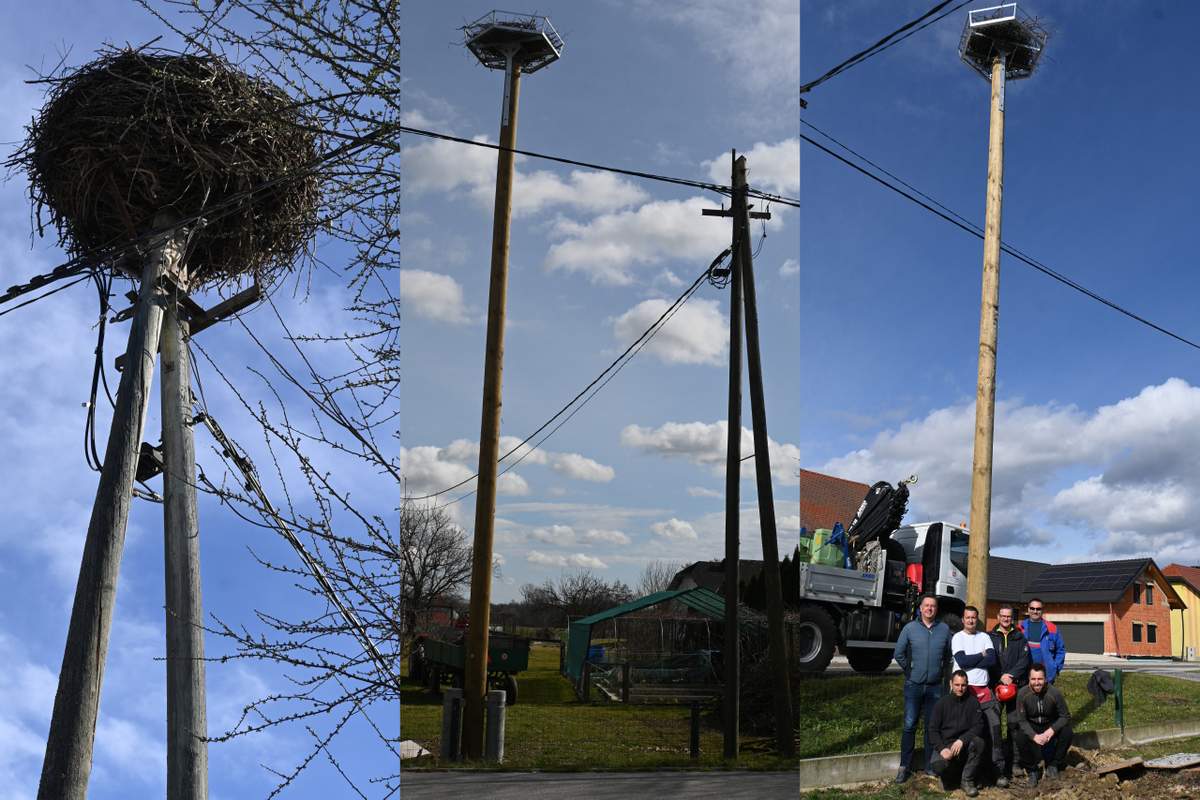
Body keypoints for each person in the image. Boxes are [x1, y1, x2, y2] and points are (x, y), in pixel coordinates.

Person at [892, 594, 953, 783]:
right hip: (914, 686)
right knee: (910, 725)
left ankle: (929, 766)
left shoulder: (944, 629)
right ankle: (904, 766)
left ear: (936, 609)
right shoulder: (910, 628)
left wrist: (945, 678)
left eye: (933, 606)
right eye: (926, 605)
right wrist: (910, 672)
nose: (929, 609)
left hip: (935, 687)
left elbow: (949, 657)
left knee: (930, 728)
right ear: (920, 608)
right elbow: (899, 653)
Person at [951, 606, 1006, 786]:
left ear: (977, 619)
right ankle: (969, 775)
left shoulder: (984, 637)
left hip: (985, 692)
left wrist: (975, 659)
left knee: (994, 730)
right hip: (965, 692)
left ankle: (998, 772)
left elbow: (991, 660)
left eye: (974, 618)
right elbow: (962, 662)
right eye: (968, 617)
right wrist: (981, 655)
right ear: (963, 619)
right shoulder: (957, 638)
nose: (971, 621)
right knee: (971, 735)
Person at [989, 604, 1031, 782]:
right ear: (998, 617)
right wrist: (1000, 677)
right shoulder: (989, 637)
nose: (1006, 619)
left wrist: (1011, 675)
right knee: (995, 726)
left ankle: (1015, 763)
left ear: (1012, 618)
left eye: (1009, 617)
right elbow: (988, 660)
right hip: (996, 687)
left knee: (1015, 726)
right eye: (1003, 616)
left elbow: (1025, 660)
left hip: (1016, 687)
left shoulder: (1020, 637)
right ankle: (997, 765)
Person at [927, 670, 986, 797]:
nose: (960, 688)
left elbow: (979, 726)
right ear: (951, 684)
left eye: (963, 685)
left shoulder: (973, 702)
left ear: (967, 685)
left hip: (964, 745)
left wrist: (962, 740)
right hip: (946, 745)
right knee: (938, 765)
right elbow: (932, 730)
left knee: (979, 743)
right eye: (957, 685)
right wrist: (942, 749)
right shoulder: (941, 704)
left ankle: (967, 780)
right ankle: (949, 779)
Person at [1014, 663, 1073, 786]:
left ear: (1045, 679)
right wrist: (1034, 736)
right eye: (1033, 679)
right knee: (1019, 736)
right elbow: (1022, 720)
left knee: (1067, 732)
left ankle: (1053, 764)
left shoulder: (1054, 693)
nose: (1037, 683)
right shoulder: (1022, 694)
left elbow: (1065, 716)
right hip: (1032, 724)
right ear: (1029, 679)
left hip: (1049, 724)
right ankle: (1032, 770)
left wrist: (1051, 730)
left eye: (1040, 679)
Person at [1018, 598, 1065, 683]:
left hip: (1046, 676)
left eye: (1038, 609)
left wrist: (1055, 668)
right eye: (1032, 608)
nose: (1035, 611)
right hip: (1024, 675)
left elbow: (1060, 650)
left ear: (1042, 610)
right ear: (1028, 609)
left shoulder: (1052, 628)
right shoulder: (1019, 628)